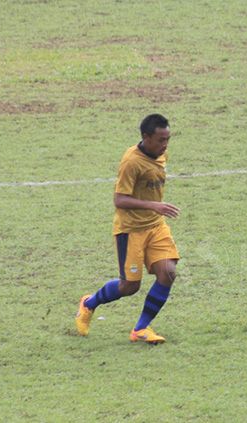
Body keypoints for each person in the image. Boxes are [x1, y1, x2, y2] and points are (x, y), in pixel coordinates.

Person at [75, 114, 180, 345]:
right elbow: (119, 200)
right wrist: (153, 205)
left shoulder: (161, 154)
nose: (165, 145)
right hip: (131, 231)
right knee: (129, 286)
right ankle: (88, 304)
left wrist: (155, 210)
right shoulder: (131, 162)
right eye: (161, 140)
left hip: (155, 226)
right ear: (146, 137)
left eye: (168, 139)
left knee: (168, 272)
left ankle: (140, 329)